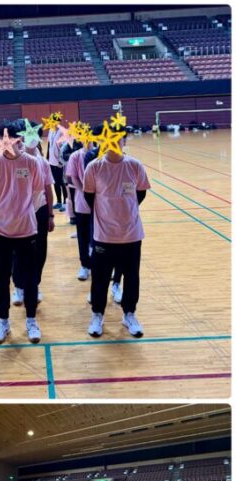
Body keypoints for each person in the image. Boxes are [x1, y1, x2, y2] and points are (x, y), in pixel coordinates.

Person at [83, 127, 151, 338]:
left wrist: (125, 211)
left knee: (132, 277)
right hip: (104, 236)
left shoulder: (135, 165)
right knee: (100, 279)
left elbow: (140, 193)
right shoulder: (94, 167)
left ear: (124, 141)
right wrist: (107, 214)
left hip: (131, 235)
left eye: (118, 139)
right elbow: (89, 197)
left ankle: (129, 314)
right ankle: (97, 315)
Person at [0, 121, 45, 344]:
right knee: (1, 277)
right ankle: (3, 321)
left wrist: (24, 212)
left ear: (19, 139)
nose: (8, 141)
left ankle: (31, 320)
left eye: (12, 137)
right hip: (0, 230)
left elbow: (37, 193)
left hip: (26, 230)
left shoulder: (32, 163)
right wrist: (0, 212)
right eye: (4, 137)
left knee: (30, 278)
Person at [12, 119, 55, 306]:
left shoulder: (43, 162)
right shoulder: (13, 159)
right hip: (19, 211)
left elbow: (48, 189)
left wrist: (51, 215)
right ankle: (19, 286)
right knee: (18, 250)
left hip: (40, 210)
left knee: (39, 250)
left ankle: (34, 285)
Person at [66, 139, 97, 281]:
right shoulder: (75, 156)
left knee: (98, 237)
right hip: (82, 203)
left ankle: (99, 266)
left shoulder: (99, 154)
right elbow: (73, 178)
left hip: (99, 204)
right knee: (83, 236)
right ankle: (84, 265)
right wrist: (86, 194)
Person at [46, 114, 67, 210]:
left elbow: (65, 148)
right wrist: (47, 159)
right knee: (55, 182)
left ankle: (65, 203)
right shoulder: (51, 130)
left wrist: (61, 162)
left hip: (60, 163)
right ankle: (58, 201)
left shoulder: (62, 132)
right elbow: (49, 145)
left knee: (62, 182)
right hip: (52, 162)